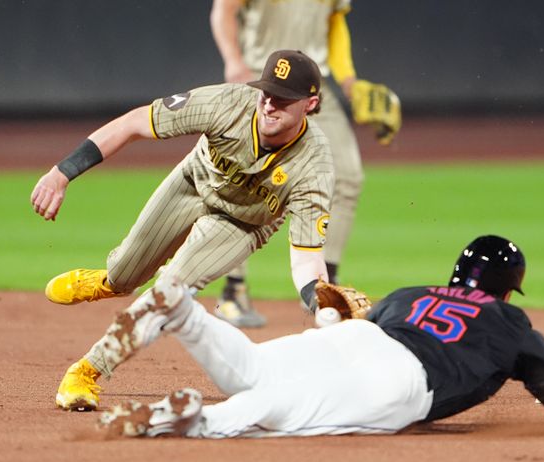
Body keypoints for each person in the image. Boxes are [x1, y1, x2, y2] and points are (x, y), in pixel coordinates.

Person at [95, 235, 544, 438]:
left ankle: (186, 314)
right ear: (507, 289)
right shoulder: (510, 323)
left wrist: (332, 323)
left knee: (256, 368)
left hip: (355, 337)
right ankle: (193, 420)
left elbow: (357, 329)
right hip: (402, 381)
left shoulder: (406, 293)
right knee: (286, 412)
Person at [30, 49, 335, 411]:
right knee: (126, 273)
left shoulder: (315, 166)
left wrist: (323, 303)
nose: (268, 105)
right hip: (192, 183)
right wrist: (62, 172)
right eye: (266, 93)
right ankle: (110, 282)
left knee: (168, 291)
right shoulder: (227, 103)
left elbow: (306, 260)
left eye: (282, 100)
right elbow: (134, 123)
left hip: (241, 224)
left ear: (310, 103)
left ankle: (89, 370)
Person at [208, 0, 399, 327]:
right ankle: (233, 292)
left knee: (348, 177)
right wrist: (233, 61)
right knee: (243, 183)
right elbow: (224, 10)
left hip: (314, 85)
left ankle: (324, 290)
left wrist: (349, 79)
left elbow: (335, 21)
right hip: (261, 78)